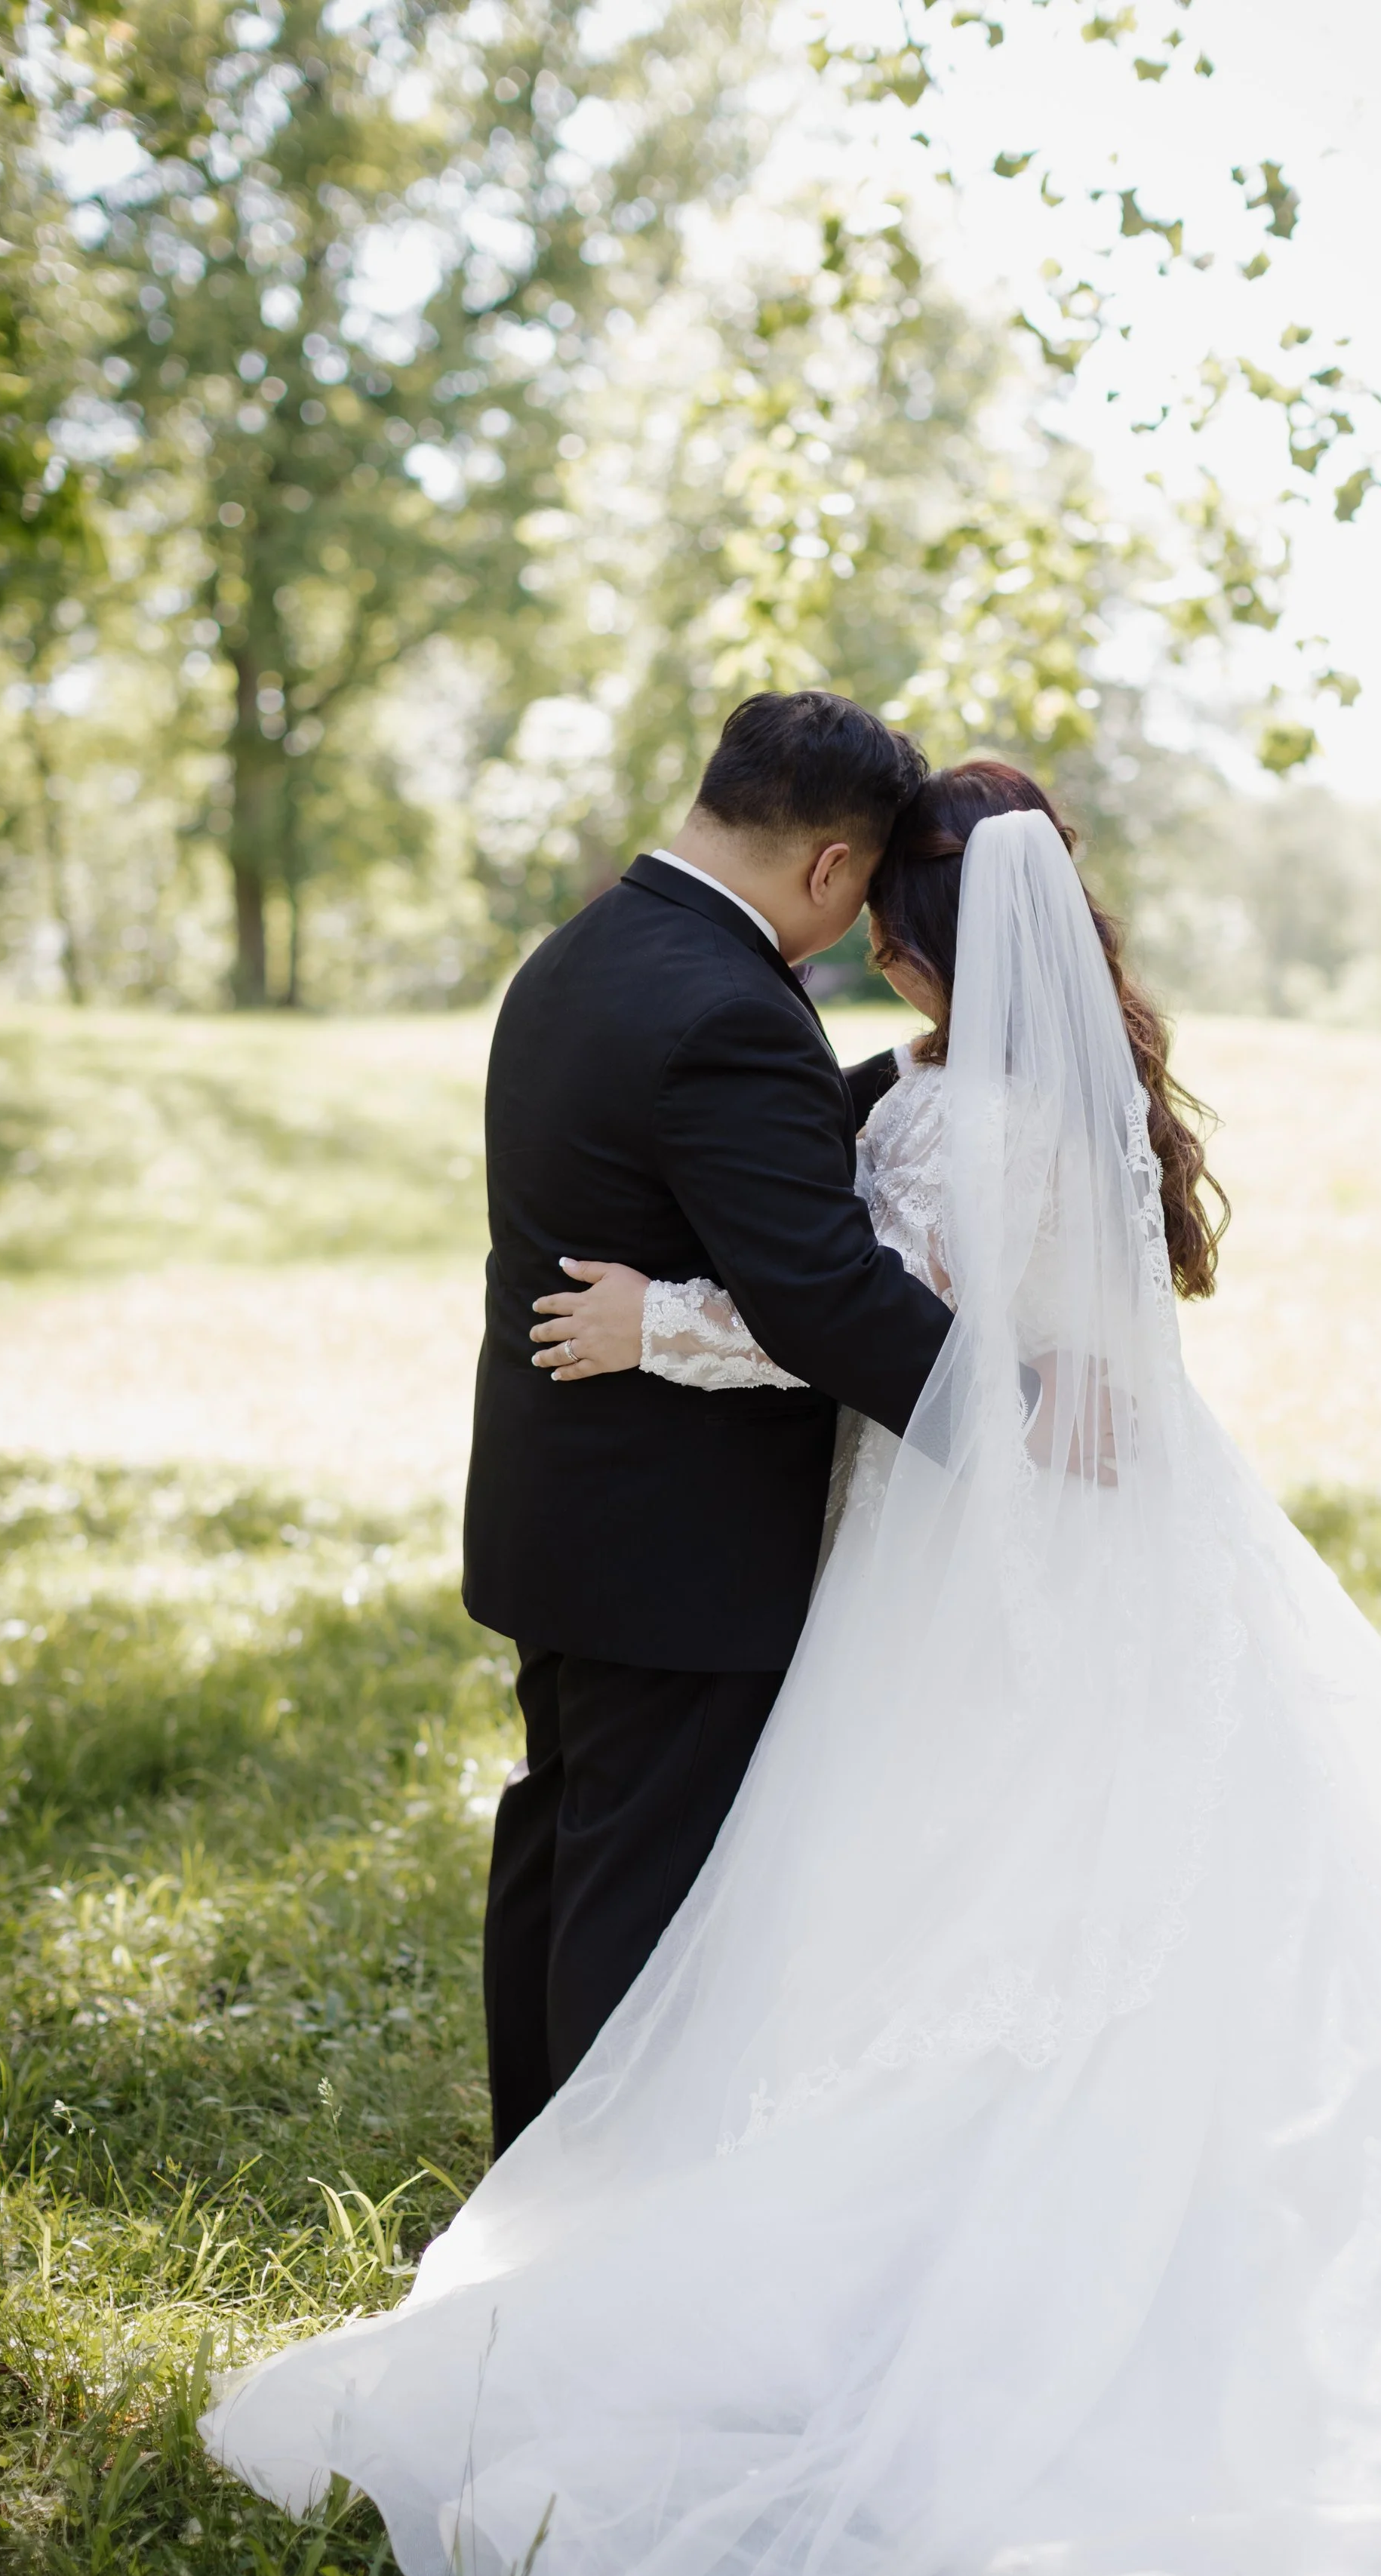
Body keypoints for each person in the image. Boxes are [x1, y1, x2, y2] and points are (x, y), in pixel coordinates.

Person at [208, 768, 1381, 2576]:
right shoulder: (1079, 1108)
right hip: (1117, 1557)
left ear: (893, 928)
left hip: (954, 1570)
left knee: (933, 1894)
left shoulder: (923, 1112)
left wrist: (655, 1319)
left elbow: (852, 1317)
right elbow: (1016, 1348)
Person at [461, 690, 952, 2157]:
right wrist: (1018, 1411)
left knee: (559, 1844)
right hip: (678, 1546)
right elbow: (819, 1290)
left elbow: (707, 1151)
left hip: (563, 1510)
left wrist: (898, 1081)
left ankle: (526, 2171)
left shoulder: (584, 950)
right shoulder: (732, 1010)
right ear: (829, 867)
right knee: (641, 1896)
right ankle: (588, 2224)